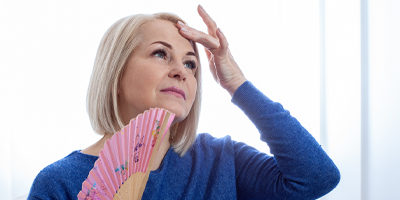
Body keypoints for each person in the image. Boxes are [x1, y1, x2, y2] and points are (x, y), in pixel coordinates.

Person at [28, 5, 340, 200]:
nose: (181, 71)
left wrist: (237, 84)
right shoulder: (59, 183)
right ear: (116, 73)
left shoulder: (221, 161)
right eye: (160, 54)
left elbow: (316, 177)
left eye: (191, 64)